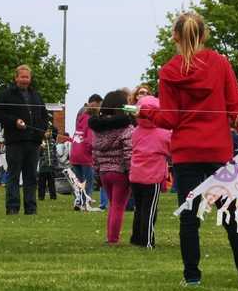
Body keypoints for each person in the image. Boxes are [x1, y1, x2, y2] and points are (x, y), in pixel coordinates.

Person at [153, 11, 238, 287]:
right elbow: (235, 106)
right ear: (204, 34)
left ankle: (192, 276)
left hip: (187, 152)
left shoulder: (170, 71)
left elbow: (169, 118)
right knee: (232, 215)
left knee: (189, 217)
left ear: (175, 36)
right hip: (218, 151)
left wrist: (147, 113)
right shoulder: (220, 64)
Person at [0, 66, 50, 215]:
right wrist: (14, 121)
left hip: (33, 142)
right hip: (15, 142)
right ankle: (12, 207)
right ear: (16, 78)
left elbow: (44, 116)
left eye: (27, 77)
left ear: (30, 79)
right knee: (13, 175)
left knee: (31, 176)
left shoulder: (36, 96)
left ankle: (31, 208)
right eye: (22, 77)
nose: (25, 80)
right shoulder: (6, 95)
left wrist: (42, 130)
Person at [91, 90, 134, 245]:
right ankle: (113, 239)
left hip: (104, 172)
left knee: (112, 205)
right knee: (118, 206)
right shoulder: (126, 128)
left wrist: (97, 171)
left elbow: (94, 151)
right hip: (120, 172)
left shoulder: (98, 129)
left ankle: (110, 237)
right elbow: (129, 151)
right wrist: (131, 172)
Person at [130, 95, 172, 248]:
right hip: (152, 178)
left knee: (139, 209)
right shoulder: (164, 134)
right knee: (150, 210)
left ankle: (136, 238)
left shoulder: (135, 131)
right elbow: (170, 150)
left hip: (135, 176)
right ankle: (147, 240)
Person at [70, 94, 102, 211]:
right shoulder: (91, 121)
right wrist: (93, 151)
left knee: (78, 180)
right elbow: (90, 139)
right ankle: (85, 202)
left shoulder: (81, 118)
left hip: (74, 152)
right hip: (85, 155)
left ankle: (78, 201)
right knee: (88, 180)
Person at [38, 128, 60, 201]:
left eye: (49, 132)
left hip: (51, 166)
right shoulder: (40, 141)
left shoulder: (53, 141)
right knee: (42, 183)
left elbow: (55, 153)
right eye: (46, 132)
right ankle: (41, 197)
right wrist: (41, 147)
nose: (48, 133)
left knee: (51, 183)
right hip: (43, 166)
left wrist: (55, 164)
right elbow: (38, 154)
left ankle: (53, 197)